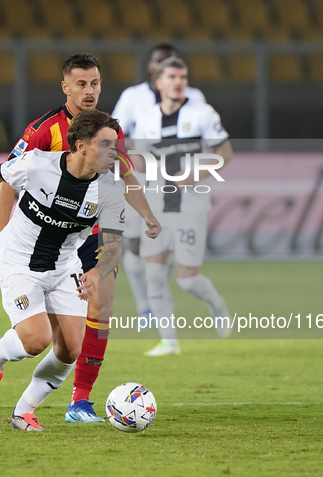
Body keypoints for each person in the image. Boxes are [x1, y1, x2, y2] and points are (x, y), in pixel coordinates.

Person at [0, 53, 161, 424]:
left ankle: (80, 401)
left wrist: (147, 215)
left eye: (96, 83)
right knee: (55, 337)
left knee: (101, 306)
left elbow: (126, 178)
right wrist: (2, 236)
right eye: (82, 84)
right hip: (46, 239)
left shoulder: (106, 130)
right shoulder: (43, 130)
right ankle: (7, 368)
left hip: (92, 231)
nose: (90, 91)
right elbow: (6, 179)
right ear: (66, 86)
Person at [0, 110, 126, 431]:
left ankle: (24, 411)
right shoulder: (38, 164)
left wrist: (97, 271)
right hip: (19, 262)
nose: (113, 153)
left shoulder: (110, 189)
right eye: (105, 145)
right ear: (81, 146)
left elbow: (113, 241)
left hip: (65, 265)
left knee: (70, 349)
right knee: (36, 340)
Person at [132, 56, 234, 357]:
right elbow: (141, 160)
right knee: (153, 275)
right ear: (159, 83)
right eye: (172, 77)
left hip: (191, 205)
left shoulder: (202, 114)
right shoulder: (147, 119)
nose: (178, 82)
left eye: (183, 77)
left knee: (187, 280)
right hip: (156, 204)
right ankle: (169, 341)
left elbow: (225, 153)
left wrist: (196, 175)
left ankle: (217, 306)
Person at [112, 43, 205, 324]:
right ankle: (145, 307)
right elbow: (116, 133)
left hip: (174, 180)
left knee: (166, 242)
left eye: (169, 61)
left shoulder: (194, 97)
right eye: (158, 61)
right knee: (135, 243)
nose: (162, 66)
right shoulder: (133, 97)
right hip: (138, 176)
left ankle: (157, 299)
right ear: (152, 67)